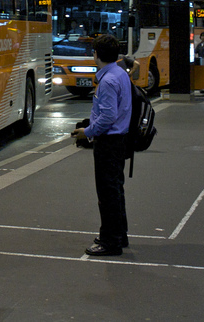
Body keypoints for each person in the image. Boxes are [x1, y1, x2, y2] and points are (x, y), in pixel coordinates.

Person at [72, 34, 132, 256]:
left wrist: (86, 132)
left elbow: (107, 117)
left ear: (95, 55)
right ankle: (119, 235)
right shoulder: (120, 74)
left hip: (108, 142)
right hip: (119, 140)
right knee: (116, 190)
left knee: (107, 194)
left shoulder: (107, 80)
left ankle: (110, 241)